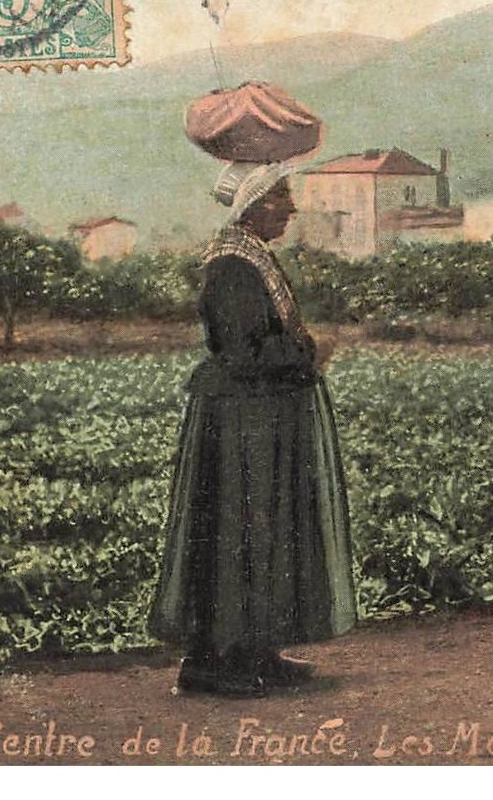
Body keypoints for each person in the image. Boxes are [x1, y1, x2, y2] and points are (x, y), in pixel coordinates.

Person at [149, 163, 356, 696]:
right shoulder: (233, 267)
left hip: (255, 419)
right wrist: (311, 351)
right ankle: (214, 662)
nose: (290, 208)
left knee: (261, 531)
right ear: (254, 205)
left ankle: (255, 651)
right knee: (238, 532)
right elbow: (246, 354)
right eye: (282, 197)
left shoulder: (249, 259)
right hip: (240, 423)